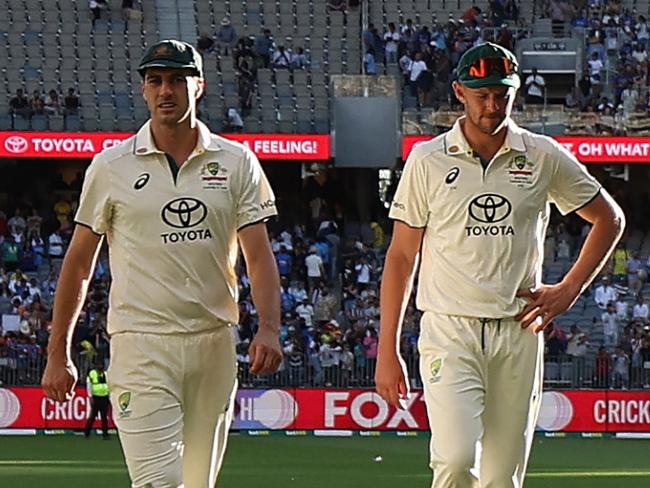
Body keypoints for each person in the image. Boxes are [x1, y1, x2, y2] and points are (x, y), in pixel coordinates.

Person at [376, 42, 625, 488]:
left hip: (518, 330)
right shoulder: (427, 159)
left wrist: (568, 290)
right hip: (450, 329)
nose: (492, 106)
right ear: (459, 91)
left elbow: (610, 218)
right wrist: (386, 348)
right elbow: (399, 257)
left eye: (502, 95)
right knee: (454, 460)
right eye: (481, 95)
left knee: (500, 479)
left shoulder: (542, 154)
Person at [41, 40, 283, 488]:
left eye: (177, 79)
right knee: (158, 483)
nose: (166, 90)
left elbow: (258, 254)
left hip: (213, 344)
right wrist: (59, 353)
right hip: (141, 344)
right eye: (155, 81)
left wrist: (269, 326)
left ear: (200, 86)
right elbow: (77, 264)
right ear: (144, 90)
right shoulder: (110, 166)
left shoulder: (236, 162)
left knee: (197, 484)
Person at [84, 362, 110, 439]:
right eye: (99, 365)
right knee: (93, 416)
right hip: (96, 398)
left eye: (101, 365)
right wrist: (90, 396)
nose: (100, 366)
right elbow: (89, 385)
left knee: (104, 417)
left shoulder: (106, 374)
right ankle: (86, 433)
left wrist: (109, 396)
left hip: (104, 397)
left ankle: (105, 434)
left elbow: (109, 385)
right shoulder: (92, 373)